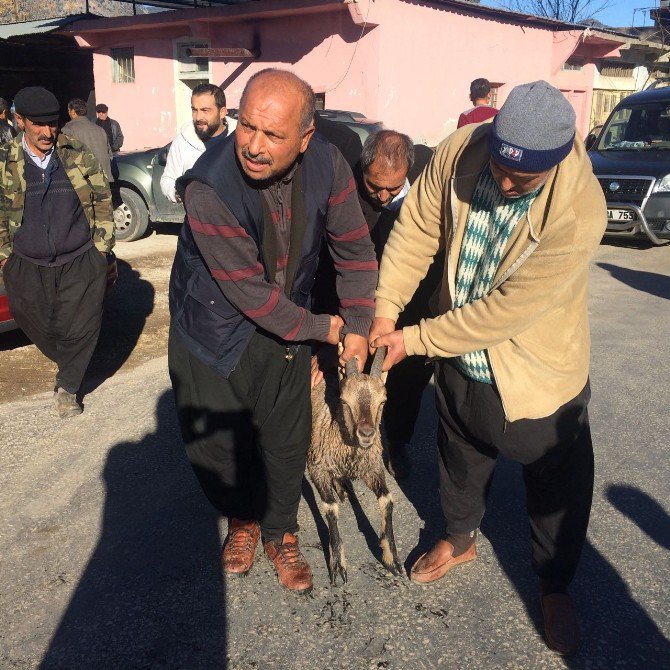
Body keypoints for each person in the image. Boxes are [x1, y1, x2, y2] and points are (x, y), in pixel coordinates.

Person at [370, 81, 606, 656]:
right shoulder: (462, 148)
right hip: (458, 357)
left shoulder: (579, 211)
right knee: (459, 452)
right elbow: (418, 229)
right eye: (499, 164)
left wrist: (415, 338)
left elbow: (504, 313)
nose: (501, 183)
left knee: (555, 481)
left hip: (532, 371)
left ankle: (554, 585)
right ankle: (460, 537)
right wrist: (385, 310)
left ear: (553, 165)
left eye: (520, 179)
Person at [168, 69, 377, 595]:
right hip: (213, 328)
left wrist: (356, 325)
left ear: (306, 138)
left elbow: (354, 250)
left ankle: (281, 529)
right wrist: (321, 328)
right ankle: (243, 520)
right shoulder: (207, 187)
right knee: (219, 446)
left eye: (274, 135)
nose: (254, 147)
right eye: (247, 128)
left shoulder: (329, 163)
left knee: (286, 438)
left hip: (286, 325)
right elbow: (250, 293)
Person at [311, 130, 437, 479]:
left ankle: (395, 442)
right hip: (354, 297)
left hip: (409, 299)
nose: (382, 196)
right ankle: (338, 438)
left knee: (408, 378)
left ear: (409, 172)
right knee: (349, 369)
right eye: (373, 186)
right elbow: (330, 261)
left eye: (392, 189)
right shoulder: (345, 188)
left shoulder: (429, 176)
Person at [0, 87, 116, 417]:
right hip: (25, 261)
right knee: (31, 318)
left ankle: (67, 387)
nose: (48, 132)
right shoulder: (3, 161)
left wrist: (102, 249)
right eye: (39, 125)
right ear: (20, 120)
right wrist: (5, 256)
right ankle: (69, 360)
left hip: (80, 257)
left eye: (53, 124)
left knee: (83, 324)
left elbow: (102, 200)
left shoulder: (76, 154)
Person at [160, 83, 237, 203]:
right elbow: (168, 179)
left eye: (205, 110)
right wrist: (176, 192)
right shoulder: (182, 141)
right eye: (194, 110)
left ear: (222, 112)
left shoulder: (239, 137)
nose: (198, 117)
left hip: (235, 219)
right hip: (195, 219)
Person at [62, 98, 113, 181]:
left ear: (73, 111)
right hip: (105, 180)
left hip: (84, 183)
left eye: (69, 110)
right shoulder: (100, 129)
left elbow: (65, 159)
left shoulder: (68, 129)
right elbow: (110, 155)